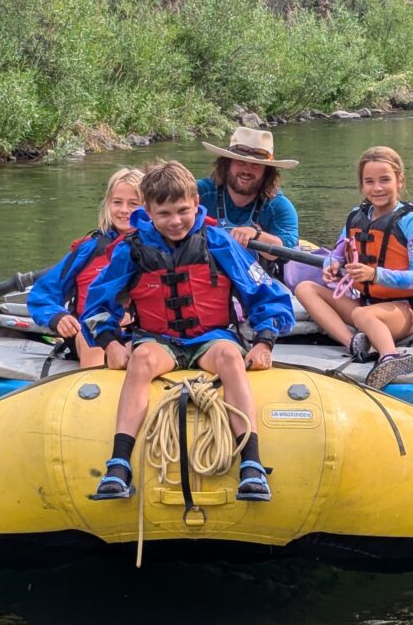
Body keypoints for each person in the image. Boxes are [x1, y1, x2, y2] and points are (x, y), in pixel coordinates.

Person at [81, 160, 295, 502]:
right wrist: (109, 343)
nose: (176, 221)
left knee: (230, 356)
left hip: (211, 339)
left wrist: (265, 340)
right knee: (139, 360)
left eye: (183, 211)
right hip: (158, 340)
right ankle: (119, 465)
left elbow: (266, 295)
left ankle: (251, 464)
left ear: (197, 203)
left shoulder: (218, 243)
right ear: (149, 211)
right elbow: (97, 305)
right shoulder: (131, 250)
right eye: (164, 214)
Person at [294, 146, 413, 389]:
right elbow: (337, 252)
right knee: (305, 288)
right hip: (364, 302)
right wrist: (331, 265)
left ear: (399, 180)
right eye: (369, 181)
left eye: (385, 180)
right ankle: (355, 343)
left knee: (362, 315)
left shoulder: (412, 221)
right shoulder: (356, 216)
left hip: (404, 310)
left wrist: (375, 274)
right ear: (361, 186)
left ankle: (390, 356)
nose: (377, 188)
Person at [27, 167, 144, 367]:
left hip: (137, 333)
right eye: (117, 202)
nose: (124, 210)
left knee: (140, 349)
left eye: (133, 204)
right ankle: (92, 389)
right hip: (90, 333)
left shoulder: (159, 248)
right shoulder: (88, 250)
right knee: (92, 337)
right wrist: (58, 317)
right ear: (108, 205)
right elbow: (42, 295)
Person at [198, 127, 299, 278]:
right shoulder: (200, 192)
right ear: (227, 164)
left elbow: (286, 253)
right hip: (205, 277)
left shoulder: (279, 206)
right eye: (240, 162)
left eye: (256, 165)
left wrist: (256, 234)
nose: (246, 170)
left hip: (255, 283)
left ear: (267, 171)